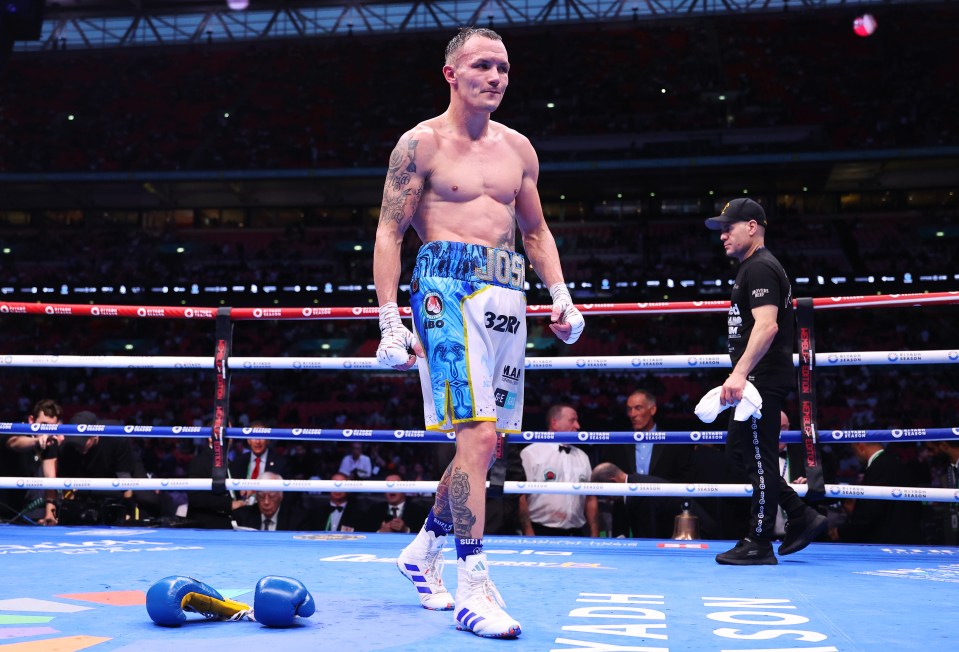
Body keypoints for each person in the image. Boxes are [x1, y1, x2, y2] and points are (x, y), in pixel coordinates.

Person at [373, 27, 583, 638]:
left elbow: (536, 231)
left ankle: (421, 552)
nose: (495, 77)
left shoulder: (520, 148)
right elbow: (389, 230)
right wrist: (390, 318)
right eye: (482, 66)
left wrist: (562, 296)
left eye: (504, 68)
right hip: (444, 288)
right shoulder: (420, 144)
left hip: (508, 293)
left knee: (483, 446)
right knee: (480, 434)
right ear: (451, 73)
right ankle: (473, 586)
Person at [704, 198, 827, 565]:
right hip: (757, 377)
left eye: (730, 227)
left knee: (758, 457)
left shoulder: (759, 267)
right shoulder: (752, 267)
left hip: (759, 379)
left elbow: (768, 325)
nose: (723, 235)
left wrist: (740, 373)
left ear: (753, 227)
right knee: (741, 452)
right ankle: (799, 513)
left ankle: (758, 540)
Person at [595, 390, 696, 538]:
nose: (632, 414)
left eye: (638, 408)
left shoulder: (673, 442)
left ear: (652, 410)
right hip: (626, 517)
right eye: (629, 409)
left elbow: (684, 478)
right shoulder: (618, 442)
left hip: (664, 516)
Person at [517, 404, 598, 536]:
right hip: (541, 530)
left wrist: (595, 535)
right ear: (554, 423)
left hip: (576, 532)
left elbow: (590, 498)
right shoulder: (531, 453)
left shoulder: (583, 457)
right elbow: (521, 497)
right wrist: (528, 531)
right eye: (572, 420)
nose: (578, 426)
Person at [827, 442, 924, 544]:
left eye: (854, 451)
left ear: (860, 447)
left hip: (889, 542)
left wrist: (842, 532)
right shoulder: (896, 461)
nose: (856, 456)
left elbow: (870, 513)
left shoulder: (878, 467)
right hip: (908, 538)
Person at [56, 411, 138, 526]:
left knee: (149, 500)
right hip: (85, 481)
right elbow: (66, 483)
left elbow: (125, 477)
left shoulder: (117, 438)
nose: (78, 446)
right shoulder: (68, 447)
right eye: (75, 443)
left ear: (95, 435)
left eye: (83, 442)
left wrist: (128, 511)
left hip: (117, 473)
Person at [0, 399, 61, 525]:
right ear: (31, 420)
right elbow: (14, 443)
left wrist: (50, 513)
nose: (46, 431)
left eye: (51, 427)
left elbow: (50, 477)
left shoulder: (50, 441)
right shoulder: (15, 429)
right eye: (43, 425)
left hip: (25, 508)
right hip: (4, 502)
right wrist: (37, 441)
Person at [232, 472, 311, 531]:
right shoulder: (242, 517)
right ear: (256, 496)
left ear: (281, 495)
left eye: (272, 496)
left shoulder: (297, 519)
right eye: (261, 496)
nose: (266, 502)